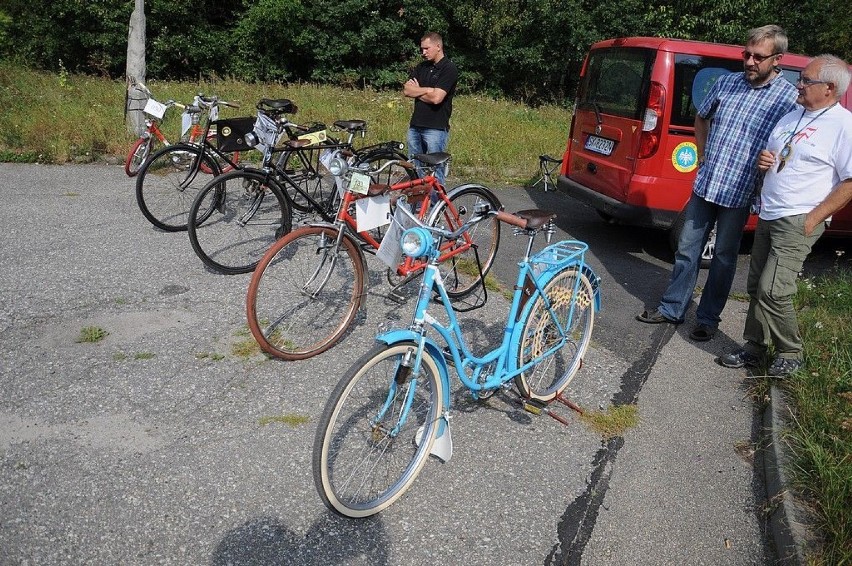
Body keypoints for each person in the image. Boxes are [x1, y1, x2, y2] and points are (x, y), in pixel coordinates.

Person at [636, 25, 799, 342]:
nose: (750, 62)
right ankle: (672, 309)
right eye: (747, 54)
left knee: (724, 258)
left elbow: (793, 148)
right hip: (707, 184)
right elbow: (701, 117)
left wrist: (774, 164)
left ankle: (708, 319)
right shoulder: (727, 83)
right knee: (686, 250)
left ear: (777, 59)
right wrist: (701, 154)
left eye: (758, 57)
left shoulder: (789, 100)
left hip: (740, 194)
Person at [719, 54, 852, 377]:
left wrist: (813, 218)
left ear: (830, 88)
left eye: (807, 80)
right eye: (801, 78)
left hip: (799, 218)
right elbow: (782, 156)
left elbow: (849, 181)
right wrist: (765, 160)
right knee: (756, 285)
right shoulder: (793, 115)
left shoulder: (843, 125)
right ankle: (755, 346)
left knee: (774, 289)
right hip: (770, 211)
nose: (799, 84)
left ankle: (791, 352)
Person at [403, 32, 458, 186]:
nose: (423, 52)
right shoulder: (422, 67)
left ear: (438, 46)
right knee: (415, 169)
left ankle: (436, 205)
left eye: (426, 48)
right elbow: (407, 90)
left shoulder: (449, 68)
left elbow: (437, 98)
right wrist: (428, 90)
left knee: (435, 171)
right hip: (415, 126)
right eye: (422, 49)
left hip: (436, 128)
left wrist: (419, 90)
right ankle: (419, 206)